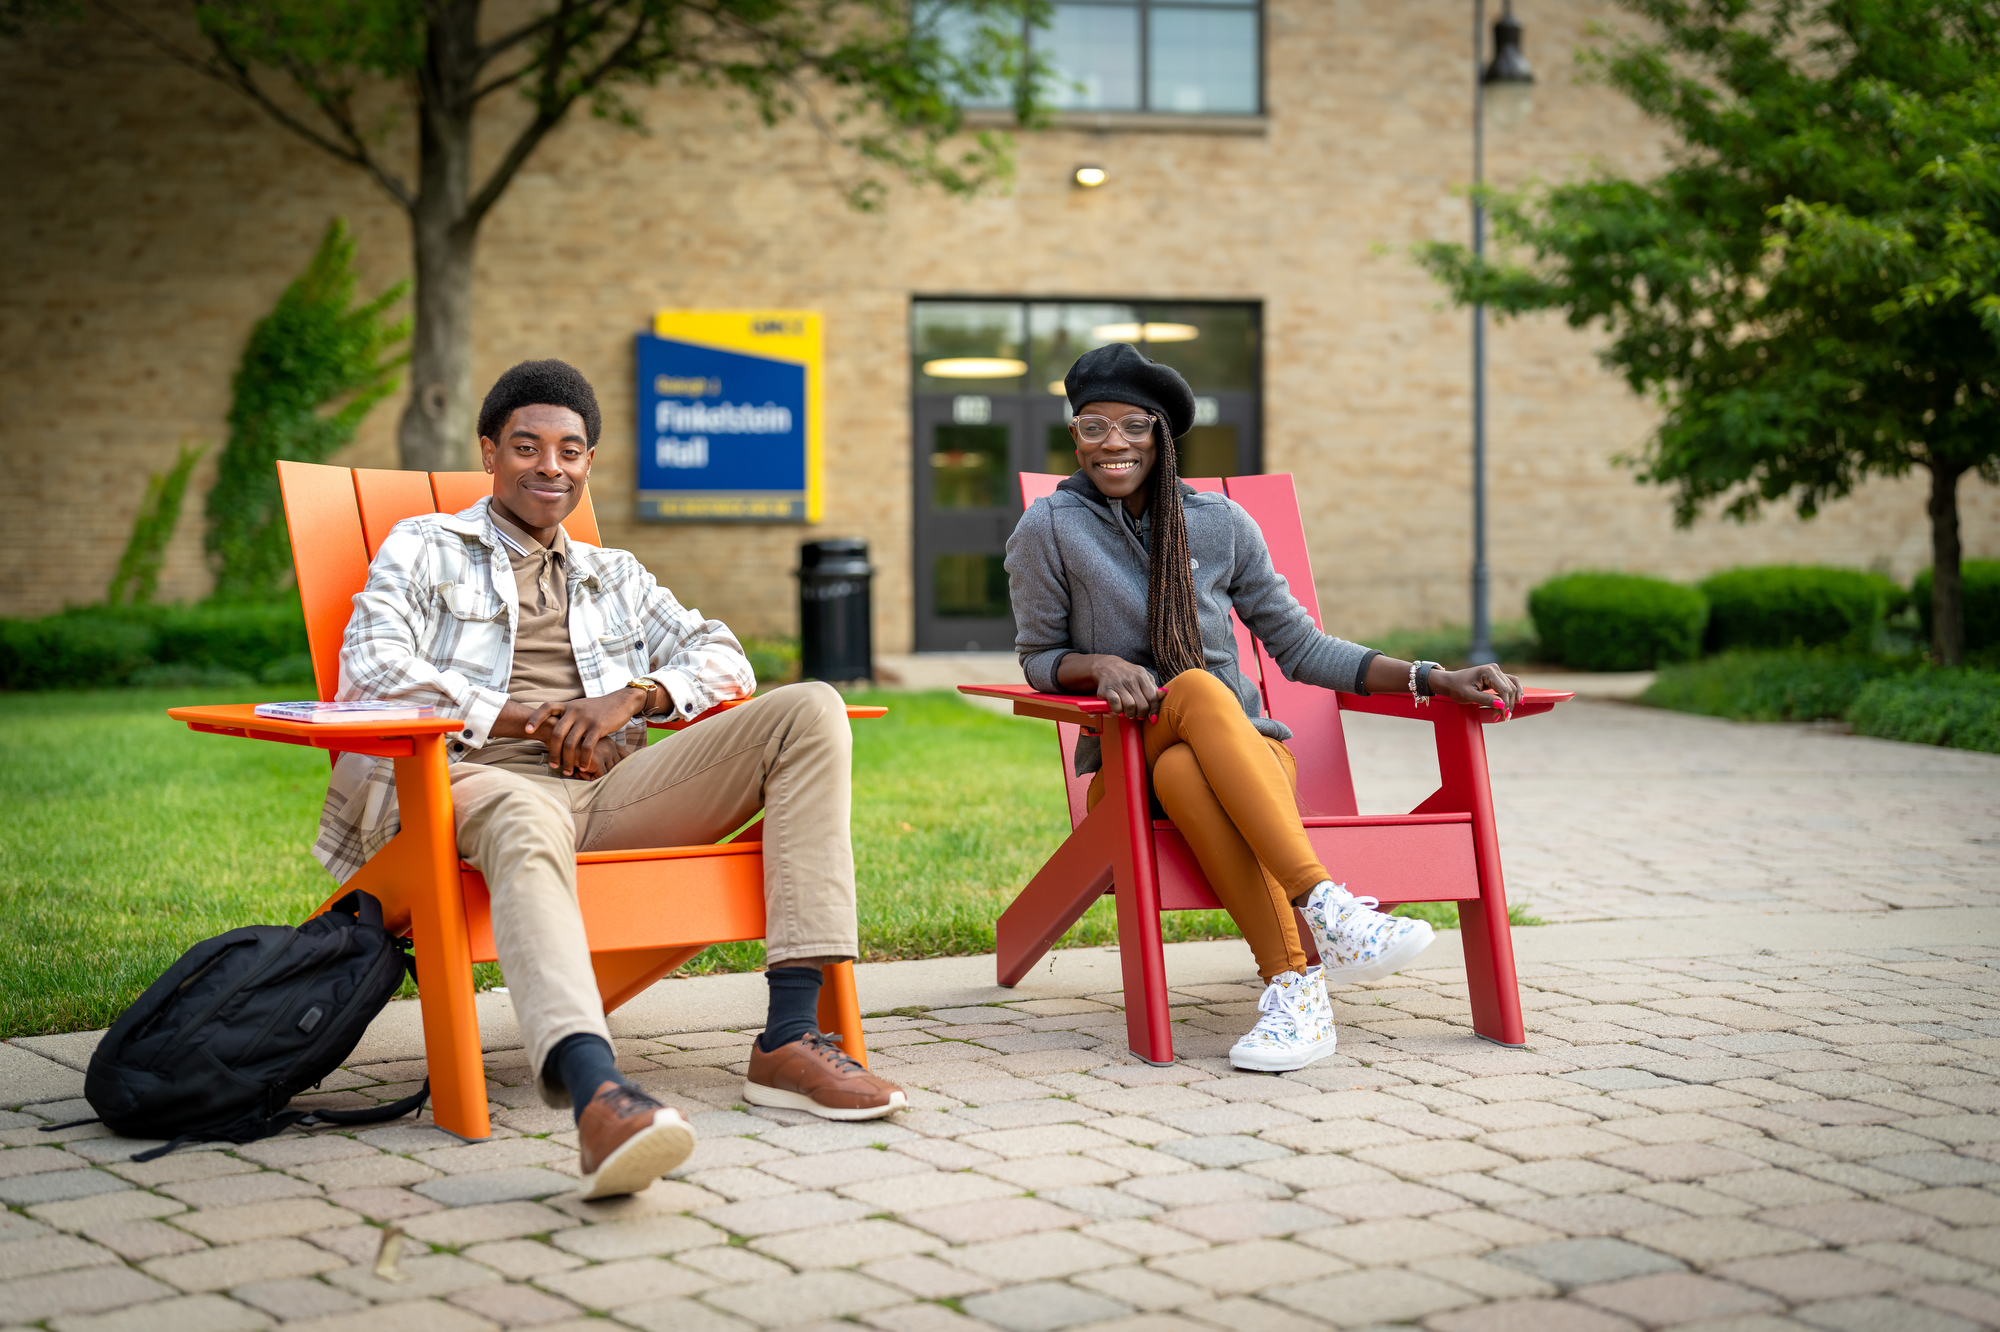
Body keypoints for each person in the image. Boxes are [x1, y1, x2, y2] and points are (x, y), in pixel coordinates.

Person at [314, 359, 904, 1199]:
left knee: (811, 707)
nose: (549, 466)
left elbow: (723, 655)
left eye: (569, 449)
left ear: (589, 462)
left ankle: (787, 1038)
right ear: (489, 451)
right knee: (521, 811)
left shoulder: (614, 573)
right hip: (459, 780)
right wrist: (535, 719)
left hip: (604, 794)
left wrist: (633, 696)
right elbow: (371, 667)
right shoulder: (426, 547)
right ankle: (597, 1093)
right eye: (526, 446)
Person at [1005, 343, 1523, 1073]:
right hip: (1126, 764)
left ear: (1161, 434)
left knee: (1190, 770)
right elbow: (1036, 658)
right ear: (1074, 436)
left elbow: (1303, 649)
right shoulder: (1050, 529)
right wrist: (1098, 664)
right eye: (1093, 426)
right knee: (1189, 689)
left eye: (1132, 425)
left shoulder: (1219, 525)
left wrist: (1429, 678)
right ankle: (1327, 905)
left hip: (1242, 757)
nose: (1112, 443)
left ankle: (1296, 991)